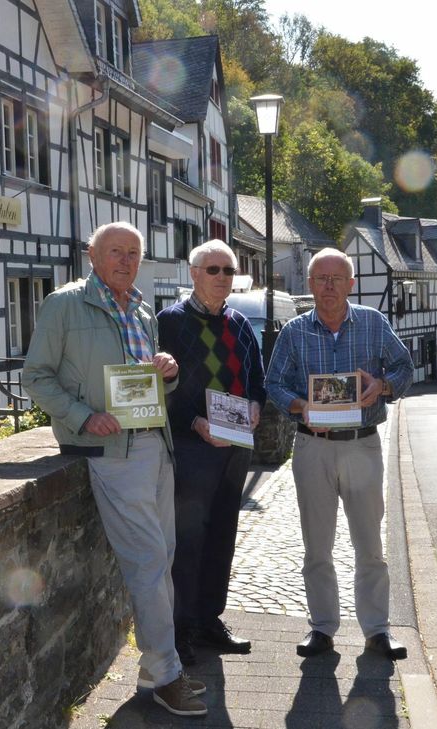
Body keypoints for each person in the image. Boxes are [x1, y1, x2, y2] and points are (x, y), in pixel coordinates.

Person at [21, 221, 207, 717]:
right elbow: (35, 377)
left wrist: (163, 370)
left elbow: (140, 387)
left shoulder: (143, 310)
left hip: (154, 444)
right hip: (110, 453)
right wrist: (83, 416)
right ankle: (166, 675)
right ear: (92, 256)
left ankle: (153, 667)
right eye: (115, 252)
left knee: (162, 556)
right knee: (147, 560)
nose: (125, 260)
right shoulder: (65, 304)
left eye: (133, 253)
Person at [265, 247, 413, 660]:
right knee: (317, 545)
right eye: (320, 279)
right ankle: (323, 628)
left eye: (336, 279)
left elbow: (405, 369)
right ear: (309, 284)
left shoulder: (373, 323)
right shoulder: (294, 331)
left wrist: (381, 386)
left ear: (351, 283)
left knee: (370, 545)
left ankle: (377, 630)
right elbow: (273, 384)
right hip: (313, 446)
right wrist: (300, 406)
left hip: (362, 445)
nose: (328, 287)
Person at [158, 240, 266, 666]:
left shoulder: (240, 323)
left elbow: (256, 377)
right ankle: (181, 628)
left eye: (228, 271)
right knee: (188, 540)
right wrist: (193, 423)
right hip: (192, 447)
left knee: (222, 534)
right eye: (213, 270)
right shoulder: (170, 322)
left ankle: (209, 620)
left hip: (235, 447)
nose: (221, 277)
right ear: (193, 273)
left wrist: (256, 405)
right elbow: (163, 386)